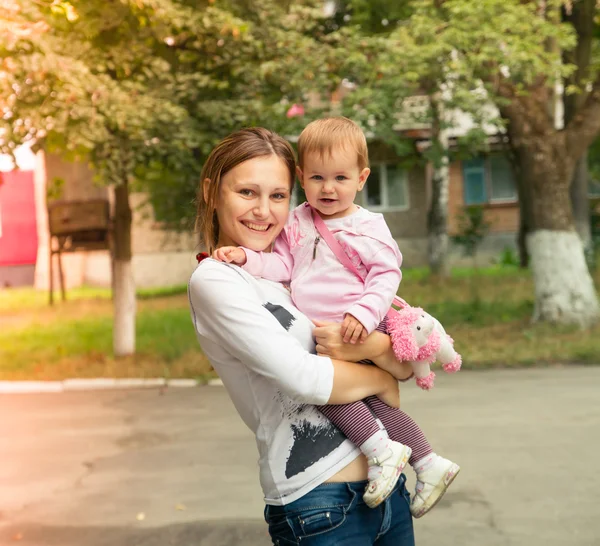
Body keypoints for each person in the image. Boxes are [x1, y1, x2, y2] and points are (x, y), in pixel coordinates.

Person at [212, 117, 460, 518]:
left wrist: (363, 316)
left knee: (337, 399)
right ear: (302, 178)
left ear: (361, 178)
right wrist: (248, 259)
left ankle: (383, 451)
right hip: (329, 332)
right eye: (317, 177)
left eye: (340, 178)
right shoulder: (296, 222)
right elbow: (283, 266)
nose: (328, 188)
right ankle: (428, 462)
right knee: (375, 406)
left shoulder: (367, 226)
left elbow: (386, 275)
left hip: (357, 323)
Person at [189, 127, 416, 544]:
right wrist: (381, 378)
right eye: (246, 193)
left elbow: (403, 363)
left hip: (388, 488)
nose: (263, 211)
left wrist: (375, 350)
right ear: (211, 192)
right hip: (318, 504)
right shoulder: (217, 280)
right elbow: (304, 379)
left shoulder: (296, 270)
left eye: (277, 196)